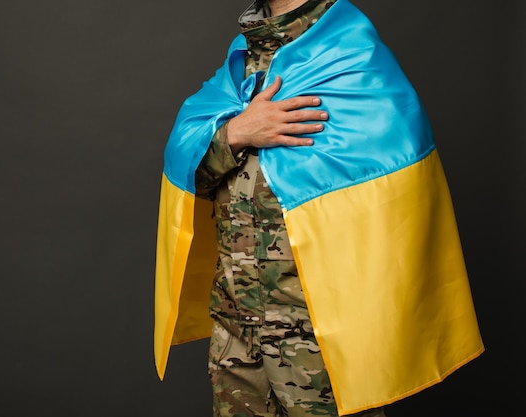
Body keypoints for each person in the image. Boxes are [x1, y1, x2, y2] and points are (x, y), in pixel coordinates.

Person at [154, 1, 484, 416]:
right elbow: (191, 178)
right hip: (237, 330)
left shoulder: (349, 57)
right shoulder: (242, 62)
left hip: (321, 336)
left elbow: (392, 211)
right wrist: (236, 133)